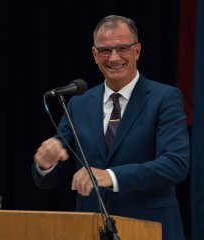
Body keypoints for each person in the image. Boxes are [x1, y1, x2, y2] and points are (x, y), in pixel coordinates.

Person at [32, 15, 190, 240]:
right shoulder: (79, 103)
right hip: (90, 229)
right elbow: (51, 176)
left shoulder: (164, 98)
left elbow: (175, 164)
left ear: (137, 51)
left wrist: (111, 176)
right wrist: (45, 164)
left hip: (150, 229)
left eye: (122, 48)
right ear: (95, 55)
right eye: (105, 50)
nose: (114, 57)